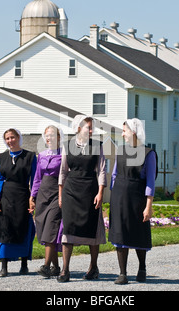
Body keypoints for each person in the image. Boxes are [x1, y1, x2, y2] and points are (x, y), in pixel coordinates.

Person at [57, 115, 107, 283]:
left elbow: (101, 170)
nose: (91, 130)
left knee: (92, 228)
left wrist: (100, 192)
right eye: (88, 127)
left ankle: (93, 267)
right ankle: (65, 269)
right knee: (68, 228)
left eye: (92, 128)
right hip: (71, 190)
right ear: (78, 128)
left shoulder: (98, 146)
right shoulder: (67, 146)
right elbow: (63, 171)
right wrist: (60, 194)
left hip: (90, 190)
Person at [108, 118, 158, 285]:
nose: (122, 134)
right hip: (119, 198)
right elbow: (114, 175)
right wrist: (113, 194)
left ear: (133, 132)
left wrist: (148, 206)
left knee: (138, 233)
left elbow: (151, 181)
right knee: (120, 233)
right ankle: (122, 273)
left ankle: (142, 268)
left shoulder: (149, 153)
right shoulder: (120, 151)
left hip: (137, 198)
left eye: (124, 131)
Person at [0, 128, 37, 277]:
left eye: (12, 137)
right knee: (4, 229)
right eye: (7, 138)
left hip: (23, 196)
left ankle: (24, 264)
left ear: (18, 138)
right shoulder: (0, 157)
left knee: (23, 228)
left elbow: (35, 178)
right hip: (6, 196)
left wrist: (33, 198)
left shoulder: (30, 156)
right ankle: (4, 266)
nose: (10, 141)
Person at [30, 125, 63, 278]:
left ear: (59, 137)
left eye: (52, 135)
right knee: (44, 228)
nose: (49, 138)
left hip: (57, 193)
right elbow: (37, 178)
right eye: (47, 135)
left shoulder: (64, 155)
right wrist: (32, 196)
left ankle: (46, 266)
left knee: (51, 227)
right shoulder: (41, 155)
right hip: (43, 194)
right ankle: (56, 267)